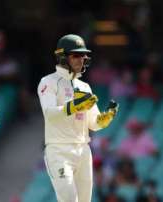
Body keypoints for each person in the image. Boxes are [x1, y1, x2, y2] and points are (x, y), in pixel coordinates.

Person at [37, 34, 119, 202]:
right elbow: (50, 114)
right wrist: (76, 106)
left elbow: (93, 124)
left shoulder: (84, 86)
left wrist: (105, 119)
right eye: (76, 55)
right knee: (68, 199)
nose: (81, 59)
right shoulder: (48, 82)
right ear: (62, 56)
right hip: (59, 150)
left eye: (83, 55)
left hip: (83, 150)